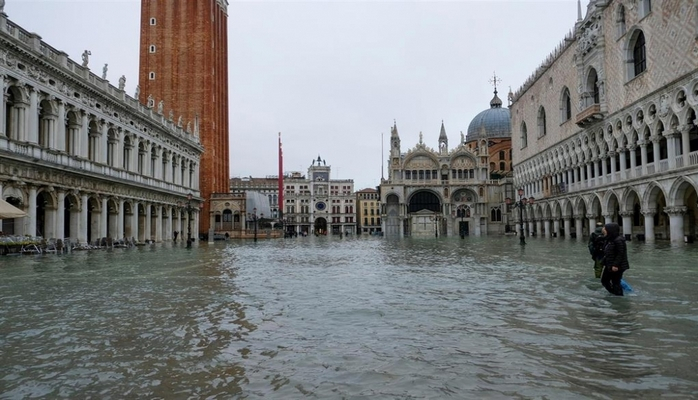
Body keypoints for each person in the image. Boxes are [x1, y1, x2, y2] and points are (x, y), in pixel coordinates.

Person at [601, 223, 630, 296]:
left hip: (617, 266)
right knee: (604, 280)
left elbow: (620, 254)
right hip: (609, 264)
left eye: (605, 228)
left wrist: (615, 265)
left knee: (615, 282)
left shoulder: (618, 240)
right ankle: (614, 293)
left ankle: (618, 295)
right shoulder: (610, 239)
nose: (604, 230)